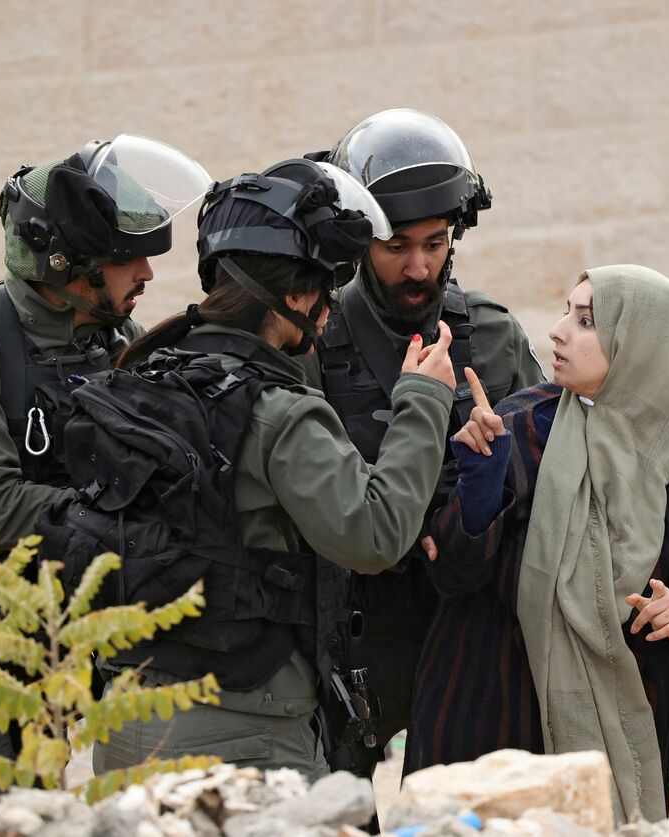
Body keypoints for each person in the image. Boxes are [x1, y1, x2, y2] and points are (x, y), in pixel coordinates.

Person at [87, 157, 457, 779]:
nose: (331, 309)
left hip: (127, 719)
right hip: (243, 735)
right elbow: (374, 535)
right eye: (327, 287)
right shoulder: (277, 410)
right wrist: (423, 399)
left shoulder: (144, 374)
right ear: (295, 295)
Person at [412, 265, 669, 824]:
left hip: (612, 730)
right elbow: (452, 574)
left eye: (587, 320)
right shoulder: (518, 424)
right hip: (483, 709)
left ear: (643, 345)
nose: (558, 331)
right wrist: (480, 479)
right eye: (567, 312)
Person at [310, 109, 545, 768]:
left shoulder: (492, 337)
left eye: (435, 244)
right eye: (396, 247)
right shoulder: (316, 339)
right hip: (348, 631)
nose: (418, 267)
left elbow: (546, 480)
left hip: (465, 631)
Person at [0, 134, 210, 581]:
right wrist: (135, 515)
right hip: (1, 627)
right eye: (125, 258)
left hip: (107, 617)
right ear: (63, 260)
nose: (146, 273)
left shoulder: (119, 338)